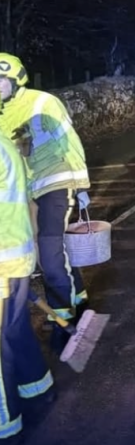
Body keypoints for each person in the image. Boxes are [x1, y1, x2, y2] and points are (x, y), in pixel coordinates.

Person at [0, 53, 89, 354]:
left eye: (2, 81)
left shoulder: (43, 102)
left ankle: (64, 319)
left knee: (50, 254)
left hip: (56, 180)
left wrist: (80, 185)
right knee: (44, 253)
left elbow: (69, 141)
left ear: (16, 79)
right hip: (26, 192)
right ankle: (79, 297)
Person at [0, 126, 56, 443]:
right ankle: (38, 390)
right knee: (15, 329)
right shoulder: (5, 144)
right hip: (14, 255)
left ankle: (5, 426)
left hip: (3, 260)